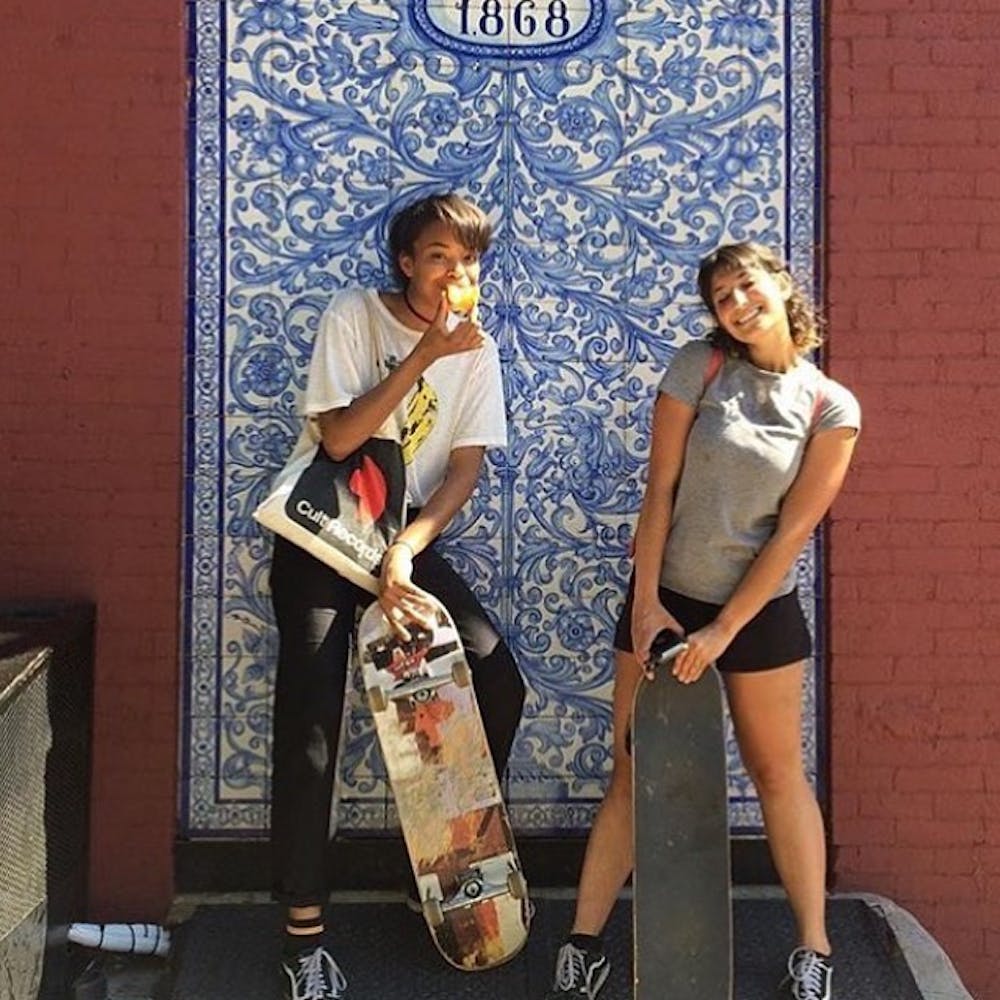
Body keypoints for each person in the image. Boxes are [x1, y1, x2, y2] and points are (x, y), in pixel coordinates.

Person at [543, 242, 861, 1000]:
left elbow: (789, 536)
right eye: (721, 297)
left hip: (756, 612)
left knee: (777, 773)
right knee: (634, 768)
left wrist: (722, 633)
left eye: (746, 286)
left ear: (780, 287)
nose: (737, 304)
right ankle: (583, 944)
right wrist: (648, 602)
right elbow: (660, 490)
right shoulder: (701, 367)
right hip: (667, 600)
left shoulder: (830, 406)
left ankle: (814, 950)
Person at [268, 192, 526, 1000]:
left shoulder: (479, 351)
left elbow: (464, 468)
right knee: (312, 727)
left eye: (469, 260)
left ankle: (441, 864)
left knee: (493, 674)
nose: (455, 273)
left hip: (399, 542)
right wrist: (423, 355)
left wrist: (408, 550)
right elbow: (340, 438)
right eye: (440, 256)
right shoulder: (356, 316)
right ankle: (303, 935)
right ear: (408, 262)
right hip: (323, 538)